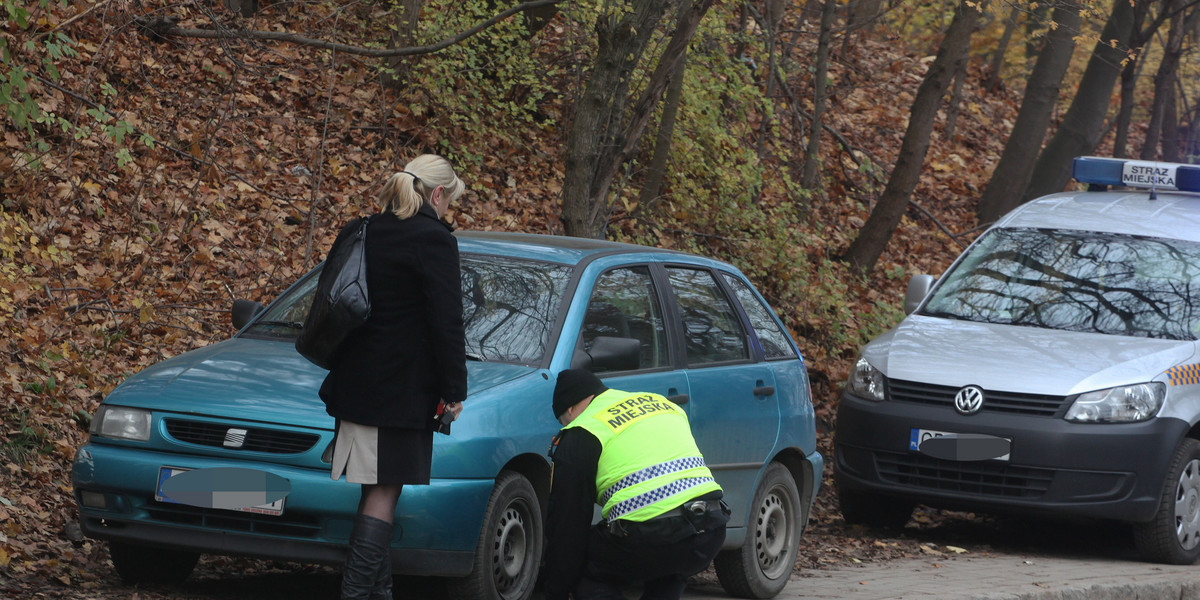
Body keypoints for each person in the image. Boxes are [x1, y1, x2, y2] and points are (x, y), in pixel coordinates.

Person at [318, 154, 468, 600]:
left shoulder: (363, 230)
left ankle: (376, 593)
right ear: (436, 194)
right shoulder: (433, 240)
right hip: (399, 392)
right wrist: (454, 391)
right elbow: (447, 322)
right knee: (384, 492)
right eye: (450, 202)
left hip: (355, 385)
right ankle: (357, 594)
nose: (448, 213)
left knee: (375, 491)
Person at [544, 369, 731, 600]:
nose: (566, 425)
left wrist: (556, 590)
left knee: (579, 563)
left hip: (649, 536)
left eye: (563, 420)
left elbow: (567, 524)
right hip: (709, 528)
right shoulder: (661, 403)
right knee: (672, 563)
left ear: (570, 409)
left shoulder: (583, 429)